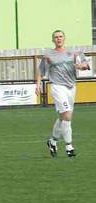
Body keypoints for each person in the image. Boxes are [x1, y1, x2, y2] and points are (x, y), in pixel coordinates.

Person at [36, 30, 89, 158]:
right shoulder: (48, 55)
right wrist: (37, 84)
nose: (58, 39)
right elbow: (40, 71)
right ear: (53, 40)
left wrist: (81, 66)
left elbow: (86, 65)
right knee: (67, 115)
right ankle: (69, 146)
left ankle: (53, 141)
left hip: (71, 87)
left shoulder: (74, 52)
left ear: (64, 38)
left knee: (63, 117)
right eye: (56, 37)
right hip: (57, 87)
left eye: (60, 36)